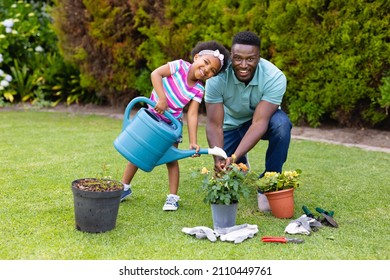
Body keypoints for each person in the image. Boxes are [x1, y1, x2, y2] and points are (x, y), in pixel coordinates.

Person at [120, 40, 230, 211]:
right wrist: (162, 98)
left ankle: (172, 198)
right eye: (206, 62)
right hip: (151, 119)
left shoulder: (199, 89)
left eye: (212, 71)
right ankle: (124, 188)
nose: (206, 70)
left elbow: (192, 114)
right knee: (138, 153)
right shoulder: (179, 66)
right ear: (196, 57)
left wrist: (193, 142)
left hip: (172, 126)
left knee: (171, 160)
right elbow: (155, 74)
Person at [204, 31, 292, 177]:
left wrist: (233, 156)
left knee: (281, 125)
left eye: (250, 59)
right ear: (231, 55)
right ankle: (241, 162)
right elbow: (214, 124)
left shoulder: (274, 77)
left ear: (259, 57)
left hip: (261, 122)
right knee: (227, 175)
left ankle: (271, 177)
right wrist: (219, 157)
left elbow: (259, 122)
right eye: (238, 58)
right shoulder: (217, 77)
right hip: (231, 125)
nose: (243, 65)